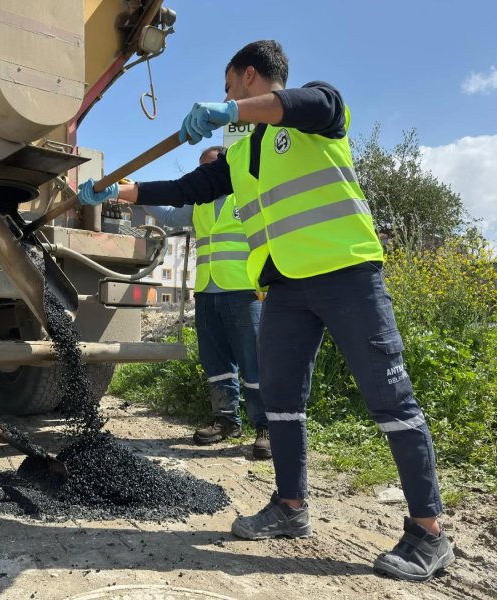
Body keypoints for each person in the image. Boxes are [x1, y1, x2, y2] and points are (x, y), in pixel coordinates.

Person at [78, 40, 452, 582]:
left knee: (391, 400)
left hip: (348, 276)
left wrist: (230, 111)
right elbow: (190, 188)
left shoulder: (316, 111)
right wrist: (117, 191)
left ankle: (428, 532)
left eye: (228, 87)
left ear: (247, 75)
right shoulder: (243, 154)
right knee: (279, 402)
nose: (224, 96)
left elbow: (311, 104)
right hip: (285, 290)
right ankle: (291, 508)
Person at [142, 146, 270, 458]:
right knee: (216, 362)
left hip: (245, 291)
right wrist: (137, 194)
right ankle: (226, 420)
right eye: (199, 169)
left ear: (226, 166)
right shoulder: (199, 202)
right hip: (207, 291)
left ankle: (266, 426)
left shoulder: (250, 194)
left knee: (255, 362)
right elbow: (171, 215)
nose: (202, 175)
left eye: (207, 167)